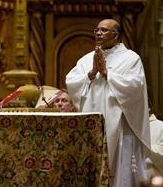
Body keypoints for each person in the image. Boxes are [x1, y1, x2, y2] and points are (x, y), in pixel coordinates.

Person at [66, 19, 151, 186]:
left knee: (119, 171)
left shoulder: (130, 58)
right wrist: (91, 73)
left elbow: (136, 85)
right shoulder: (87, 59)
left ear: (115, 35)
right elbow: (71, 81)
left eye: (104, 30)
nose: (98, 33)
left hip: (120, 124)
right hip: (93, 124)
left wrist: (107, 74)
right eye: (96, 29)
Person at [146, 108, 163, 178]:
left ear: (148, 108)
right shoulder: (126, 128)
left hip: (155, 177)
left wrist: (144, 147)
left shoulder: (160, 126)